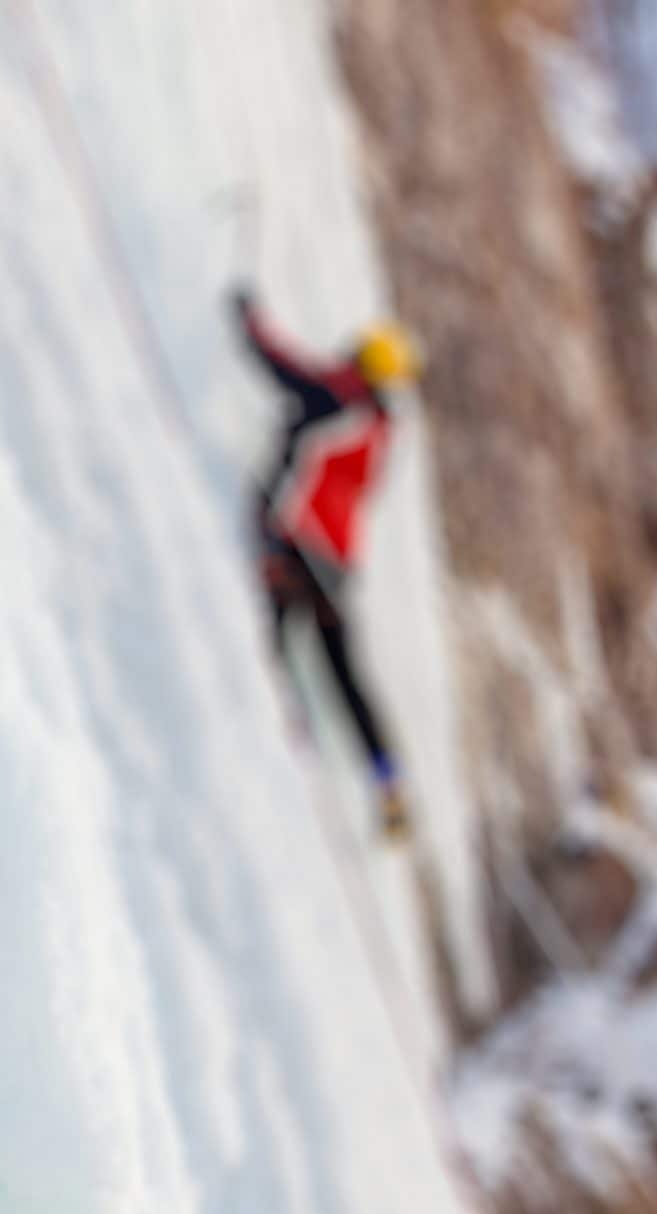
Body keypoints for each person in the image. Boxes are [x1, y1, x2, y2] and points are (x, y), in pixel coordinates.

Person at [234, 288, 423, 838]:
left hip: (298, 544)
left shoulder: (345, 400)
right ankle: (387, 778)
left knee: (273, 636)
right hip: (335, 563)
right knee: (344, 675)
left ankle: (283, 735)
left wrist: (251, 321)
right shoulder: (379, 428)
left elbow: (287, 371)